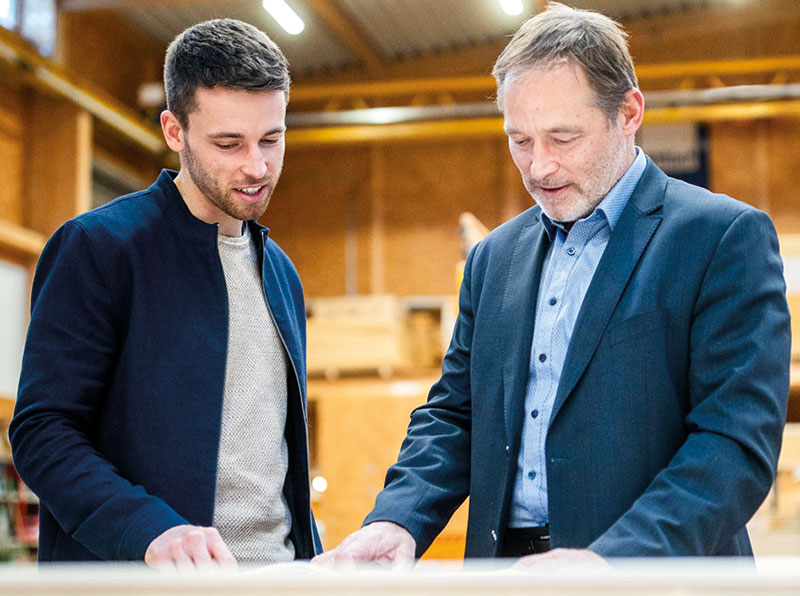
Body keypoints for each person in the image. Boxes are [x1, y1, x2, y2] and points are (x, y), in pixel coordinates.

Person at [314, 3, 790, 567]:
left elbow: (732, 443)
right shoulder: (495, 258)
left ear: (629, 112)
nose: (539, 168)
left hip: (651, 573)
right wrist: (399, 518)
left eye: (563, 138)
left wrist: (615, 558)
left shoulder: (719, 238)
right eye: (520, 141)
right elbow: (457, 413)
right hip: (507, 571)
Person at [11, 18, 320, 568]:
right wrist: (150, 531)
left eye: (271, 140)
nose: (257, 166)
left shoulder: (281, 275)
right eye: (229, 143)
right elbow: (43, 431)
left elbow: (270, 462)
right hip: (147, 577)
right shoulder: (98, 250)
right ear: (174, 131)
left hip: (276, 577)